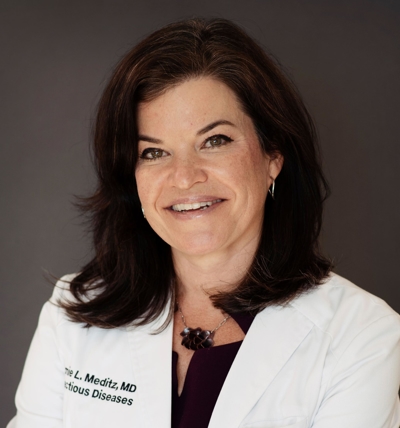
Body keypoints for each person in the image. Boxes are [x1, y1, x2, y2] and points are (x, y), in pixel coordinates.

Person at [8, 18, 400, 428]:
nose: (184, 177)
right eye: (153, 152)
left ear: (272, 157)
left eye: (215, 141)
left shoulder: (361, 335)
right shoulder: (73, 312)